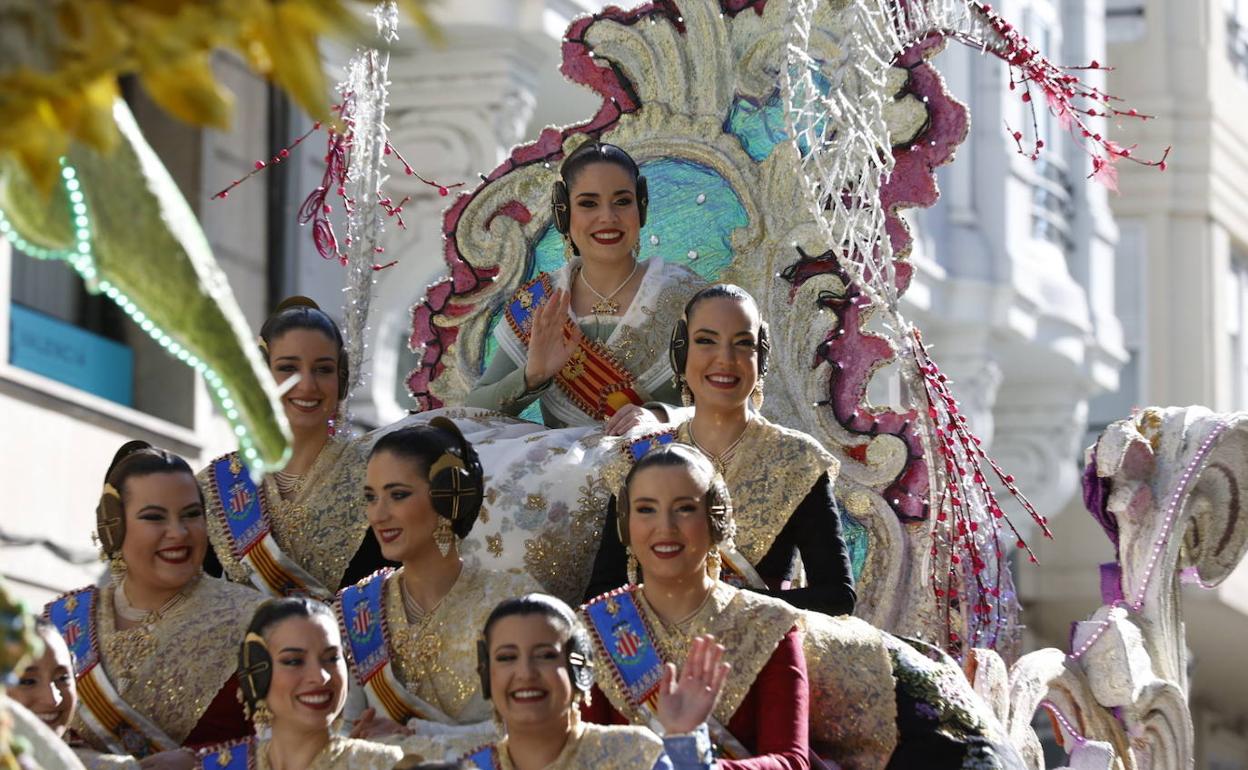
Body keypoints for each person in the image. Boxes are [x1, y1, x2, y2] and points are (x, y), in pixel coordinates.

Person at [588, 284, 856, 617]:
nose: (726, 359)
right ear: (682, 354)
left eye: (743, 343)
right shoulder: (639, 459)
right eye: (706, 341)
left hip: (759, 652)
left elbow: (837, 596)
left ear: (761, 358)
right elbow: (602, 593)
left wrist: (726, 608)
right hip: (654, 658)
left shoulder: (797, 460)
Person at [581, 444, 813, 769]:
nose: (665, 527)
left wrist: (694, 760)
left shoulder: (768, 625)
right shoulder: (592, 631)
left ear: (716, 518)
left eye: (685, 508)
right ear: (625, 523)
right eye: (646, 509)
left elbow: (791, 762)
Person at [44, 441, 265, 768]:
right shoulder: (64, 622)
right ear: (113, 526)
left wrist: (196, 764)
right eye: (154, 518)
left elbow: (295, 745)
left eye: (191, 515)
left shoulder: (259, 620)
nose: (178, 532)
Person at [465, 140, 706, 434]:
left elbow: (737, 404)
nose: (607, 217)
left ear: (640, 206)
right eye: (588, 203)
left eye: (622, 201)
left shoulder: (687, 296)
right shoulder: (539, 303)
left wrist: (662, 417)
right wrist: (533, 375)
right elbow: (472, 414)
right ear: (563, 212)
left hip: (665, 471)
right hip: (563, 473)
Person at [336, 420, 539, 760]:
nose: (378, 514)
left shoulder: (513, 604)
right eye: (371, 497)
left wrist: (418, 737)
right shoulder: (355, 609)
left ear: (449, 499)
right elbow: (340, 731)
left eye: (398, 495)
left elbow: (539, 728)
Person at [198, 296, 389, 600]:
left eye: (323, 369)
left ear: (341, 378)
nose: (307, 385)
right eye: (288, 368)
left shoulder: (378, 479)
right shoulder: (214, 486)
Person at [462, 593, 723, 770]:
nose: (526, 672)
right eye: (507, 657)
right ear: (486, 673)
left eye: (545, 655)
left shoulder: (635, 754)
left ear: (580, 666)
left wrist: (683, 738)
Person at [196, 598, 403, 770]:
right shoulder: (219, 765)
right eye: (294, 661)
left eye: (331, 658)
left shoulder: (387, 765)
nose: (321, 677)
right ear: (256, 673)